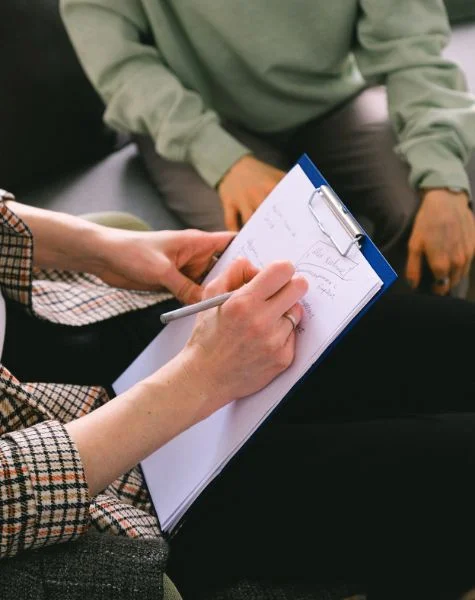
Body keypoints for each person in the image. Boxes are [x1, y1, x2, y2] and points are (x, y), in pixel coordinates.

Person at [2, 190, 475, 599]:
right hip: (83, 485)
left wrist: (101, 249)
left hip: (69, 315)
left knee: (447, 340)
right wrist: (200, 379)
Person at [60, 0, 475, 297]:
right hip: (194, 121)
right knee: (269, 269)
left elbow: (413, 45)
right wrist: (224, 161)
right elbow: (123, 68)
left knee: (430, 206)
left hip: (332, 100)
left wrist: (443, 182)